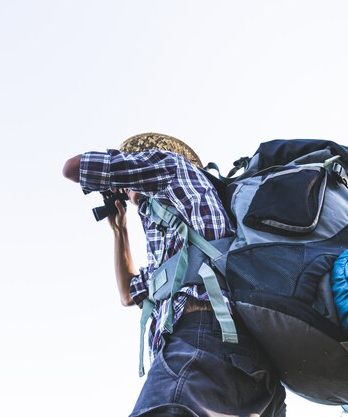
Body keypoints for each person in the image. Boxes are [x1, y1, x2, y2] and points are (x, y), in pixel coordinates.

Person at [62, 133, 287, 417]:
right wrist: (120, 230)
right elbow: (130, 293)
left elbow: (73, 168)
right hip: (251, 364)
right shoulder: (179, 234)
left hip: (201, 342)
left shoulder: (169, 165)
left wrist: (116, 177)